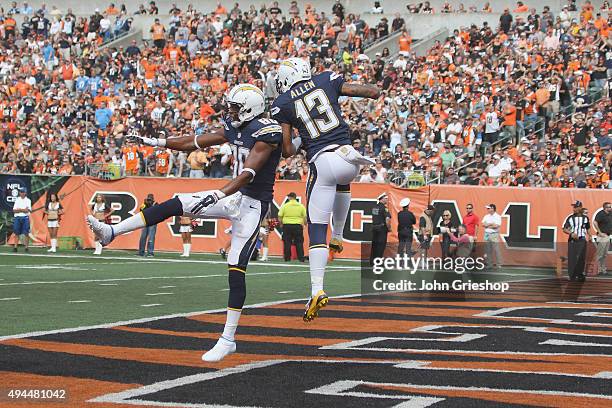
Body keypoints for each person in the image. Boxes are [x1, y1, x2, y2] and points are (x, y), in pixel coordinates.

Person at [87, 84, 282, 363]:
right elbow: (196, 141)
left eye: (236, 107)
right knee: (177, 203)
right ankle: (111, 232)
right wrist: (159, 143)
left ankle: (228, 339)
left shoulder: (267, 132)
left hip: (252, 203)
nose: (230, 111)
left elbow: (249, 172)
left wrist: (218, 193)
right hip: (232, 194)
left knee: (236, 266)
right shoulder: (234, 125)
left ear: (250, 108)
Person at [272, 57, 380, 322]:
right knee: (342, 181)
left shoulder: (282, 103)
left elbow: (287, 150)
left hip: (322, 161)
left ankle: (316, 289)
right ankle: (340, 235)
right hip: (348, 158)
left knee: (317, 227)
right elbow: (371, 92)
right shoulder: (325, 79)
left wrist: (302, 136)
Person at [563, 201, 590, 281]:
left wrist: (590, 235)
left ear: (580, 207)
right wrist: (571, 233)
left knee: (581, 258)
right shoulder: (570, 217)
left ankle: (580, 274)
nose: (574, 209)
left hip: (582, 239)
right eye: (573, 207)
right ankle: (572, 275)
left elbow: (587, 227)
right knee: (572, 258)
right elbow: (564, 228)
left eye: (576, 207)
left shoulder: (585, 218)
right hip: (572, 240)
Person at [278, 192, 306, 262]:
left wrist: (281, 224)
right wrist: (305, 224)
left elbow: (280, 216)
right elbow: (305, 217)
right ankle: (301, 258)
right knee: (299, 242)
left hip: (287, 226)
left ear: (290, 197)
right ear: (295, 197)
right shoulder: (301, 206)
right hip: (297, 226)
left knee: (287, 242)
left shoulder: (285, 206)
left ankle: (287, 258)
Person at [370, 193, 391, 264]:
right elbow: (387, 219)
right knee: (381, 246)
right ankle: (378, 262)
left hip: (374, 228)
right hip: (382, 229)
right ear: (382, 199)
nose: (387, 200)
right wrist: (389, 228)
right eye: (386, 198)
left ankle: (372, 261)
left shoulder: (375, 207)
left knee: (374, 245)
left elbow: (374, 217)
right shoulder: (384, 208)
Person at [482, 203, 503, 269]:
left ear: (492, 209)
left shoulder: (497, 216)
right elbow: (483, 224)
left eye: (489, 208)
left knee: (496, 250)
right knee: (488, 250)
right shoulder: (486, 216)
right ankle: (489, 264)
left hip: (494, 234)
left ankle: (499, 264)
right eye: (487, 208)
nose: (487, 209)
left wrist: (488, 225)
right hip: (487, 234)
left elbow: (496, 226)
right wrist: (491, 224)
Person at [593, 202, 611, 275]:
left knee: (604, 255)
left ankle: (603, 270)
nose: (611, 208)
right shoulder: (601, 214)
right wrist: (600, 232)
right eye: (609, 207)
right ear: (605, 208)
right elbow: (595, 222)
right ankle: (596, 270)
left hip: (607, 236)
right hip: (602, 236)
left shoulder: (610, 213)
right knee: (600, 254)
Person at [12, 188, 32, 253]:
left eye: (23, 192)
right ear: (19, 193)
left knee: (26, 233)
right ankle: (15, 247)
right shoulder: (17, 200)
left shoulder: (28, 200)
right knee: (16, 232)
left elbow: (27, 210)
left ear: (25, 193)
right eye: (21, 192)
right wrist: (23, 209)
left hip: (25, 217)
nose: (22, 193)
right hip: (17, 217)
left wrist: (19, 209)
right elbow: (14, 210)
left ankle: (26, 247)